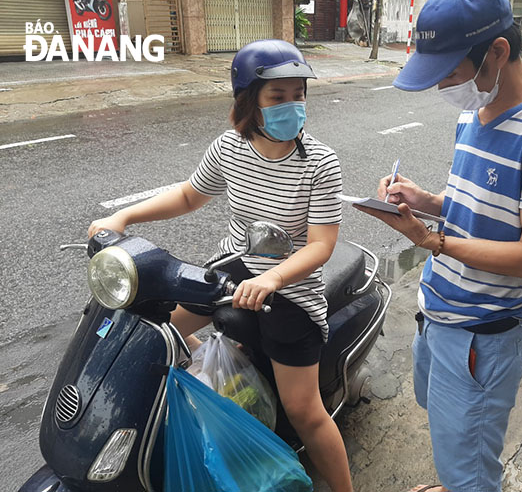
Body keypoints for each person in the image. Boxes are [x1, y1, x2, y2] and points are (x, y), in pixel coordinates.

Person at [88, 39, 353, 492]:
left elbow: (321, 246)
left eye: (299, 95)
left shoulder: (321, 164)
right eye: (278, 97)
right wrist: (123, 217)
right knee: (152, 329)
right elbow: (191, 194)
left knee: (305, 411)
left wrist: (273, 277)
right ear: (249, 102)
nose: (293, 106)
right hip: (232, 269)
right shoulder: (230, 147)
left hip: (290, 290)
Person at [356, 0, 522, 491]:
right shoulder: (474, 114)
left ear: (497, 51)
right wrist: (427, 200)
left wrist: (430, 241)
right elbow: (475, 207)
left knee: (473, 471)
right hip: (436, 314)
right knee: (453, 434)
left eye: (448, 73)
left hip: (482, 334)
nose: (442, 87)